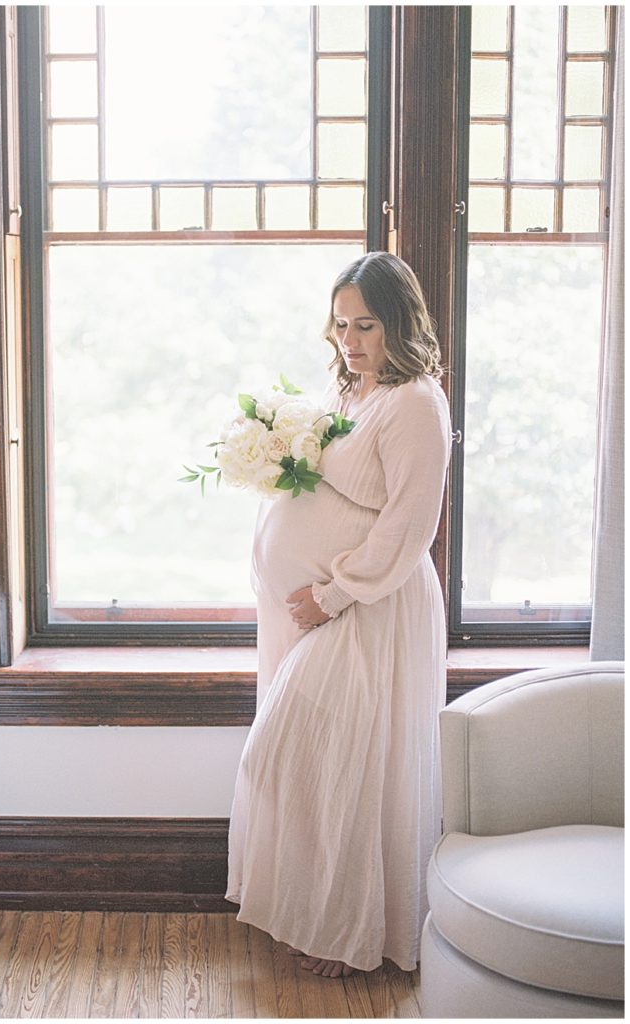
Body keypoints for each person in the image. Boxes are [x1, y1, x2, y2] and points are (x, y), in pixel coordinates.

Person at [225, 251, 452, 979]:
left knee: (329, 763)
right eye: (340, 325)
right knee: (321, 767)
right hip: (326, 608)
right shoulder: (354, 393)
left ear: (400, 324)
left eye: (366, 325)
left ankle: (350, 932)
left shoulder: (415, 401)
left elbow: (409, 525)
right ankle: (317, 914)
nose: (349, 340)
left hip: (369, 604)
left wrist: (330, 593)